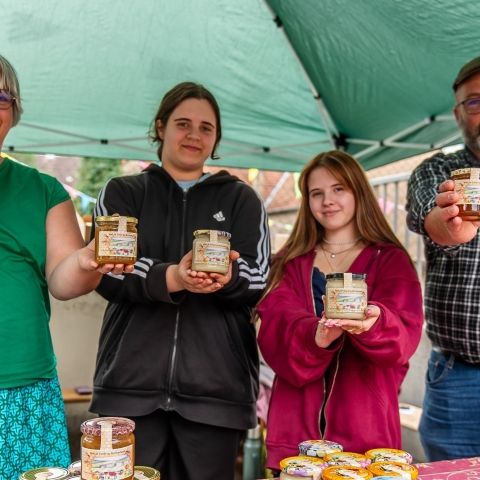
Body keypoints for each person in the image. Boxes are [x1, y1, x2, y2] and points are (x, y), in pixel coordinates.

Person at [89, 81, 270, 480]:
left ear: (216, 138)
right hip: (129, 390)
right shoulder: (123, 192)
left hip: (216, 395)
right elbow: (107, 269)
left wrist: (223, 278)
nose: (194, 135)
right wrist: (173, 276)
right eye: (183, 123)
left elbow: (258, 276)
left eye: (206, 128)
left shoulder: (242, 200)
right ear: (160, 127)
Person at [0, 54, 132, 479]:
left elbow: (63, 279)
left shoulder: (42, 190)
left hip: (23, 390)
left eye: (0, 97)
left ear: (14, 112)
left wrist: (89, 258)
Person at [257, 150, 423, 471]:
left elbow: (404, 339)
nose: (327, 201)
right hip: (296, 433)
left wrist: (376, 325)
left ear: (358, 191)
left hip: (367, 431)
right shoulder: (289, 261)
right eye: (316, 193)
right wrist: (316, 335)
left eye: (338, 189)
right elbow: (274, 329)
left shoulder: (390, 261)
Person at [406, 56, 480, 461]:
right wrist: (450, 225)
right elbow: (428, 213)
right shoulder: (438, 169)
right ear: (458, 114)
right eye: (474, 102)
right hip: (459, 377)